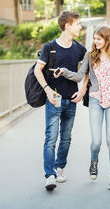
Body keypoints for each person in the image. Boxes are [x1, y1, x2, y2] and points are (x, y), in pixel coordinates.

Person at [53, 25, 110, 190]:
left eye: (99, 39)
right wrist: (63, 71)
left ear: (107, 39)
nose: (95, 42)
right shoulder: (90, 56)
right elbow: (79, 76)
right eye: (94, 38)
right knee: (96, 141)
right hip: (95, 99)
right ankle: (94, 161)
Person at [34, 11, 87, 190]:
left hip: (71, 100)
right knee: (51, 138)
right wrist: (48, 90)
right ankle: (50, 175)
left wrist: (83, 91)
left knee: (66, 138)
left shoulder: (79, 49)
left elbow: (88, 69)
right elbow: (37, 70)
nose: (80, 27)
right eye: (78, 23)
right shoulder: (50, 47)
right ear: (68, 25)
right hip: (54, 98)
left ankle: (60, 167)